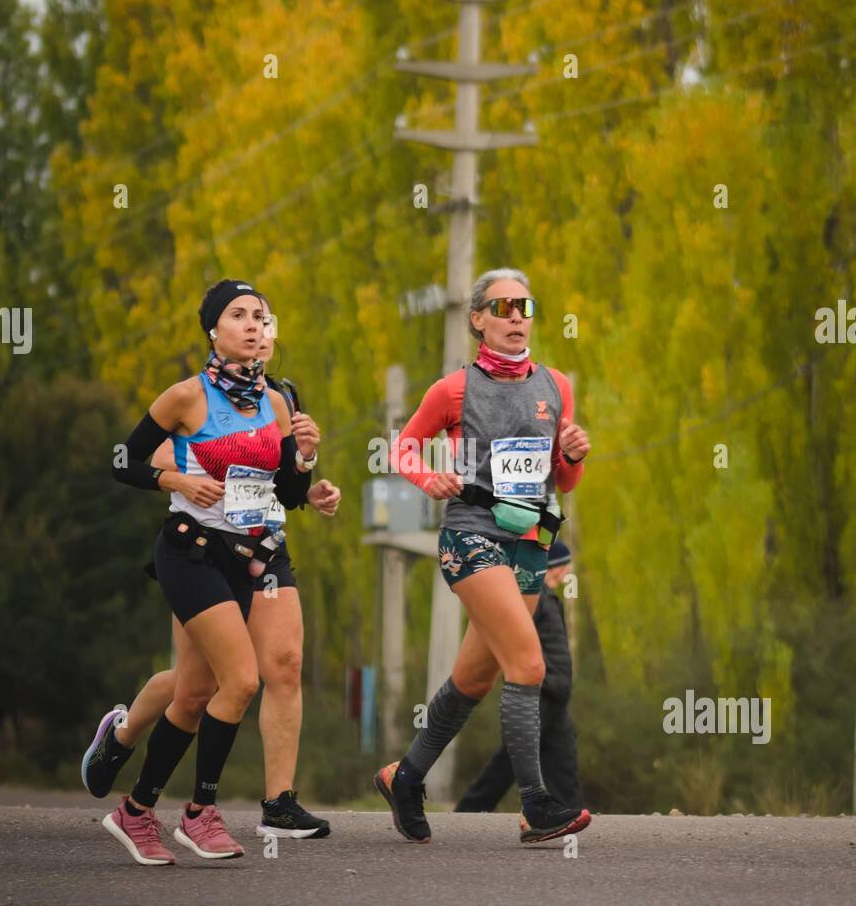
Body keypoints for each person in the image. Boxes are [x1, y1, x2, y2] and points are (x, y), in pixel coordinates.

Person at [82, 301, 340, 841]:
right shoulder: (188, 396)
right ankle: (125, 735)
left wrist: (309, 470)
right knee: (196, 686)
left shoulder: (281, 398)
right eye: (242, 317)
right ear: (212, 330)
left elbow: (286, 492)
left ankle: (277, 802)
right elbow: (125, 460)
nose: (256, 328)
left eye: (264, 319)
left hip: (263, 550)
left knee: (283, 663)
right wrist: (175, 480)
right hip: (198, 550)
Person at [374, 267, 593, 846]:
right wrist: (429, 479)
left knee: (472, 679)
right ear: (478, 320)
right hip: (471, 537)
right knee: (529, 666)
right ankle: (538, 808)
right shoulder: (453, 389)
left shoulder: (557, 385)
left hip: (531, 545)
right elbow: (403, 447)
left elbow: (564, 482)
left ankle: (405, 776)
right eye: (504, 307)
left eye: (525, 306)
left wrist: (573, 452)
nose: (518, 316)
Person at [454, 539, 580, 811]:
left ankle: (567, 814)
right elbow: (512, 641)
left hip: (557, 696)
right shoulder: (532, 599)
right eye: (565, 566)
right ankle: (469, 811)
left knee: (563, 760)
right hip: (542, 692)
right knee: (512, 758)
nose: (568, 573)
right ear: (554, 567)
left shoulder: (548, 598)